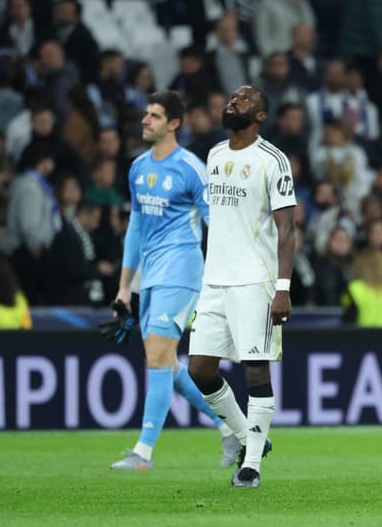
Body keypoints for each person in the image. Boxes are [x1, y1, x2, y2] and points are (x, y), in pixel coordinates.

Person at [109, 91, 238, 471]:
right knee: (168, 364)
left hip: (182, 272)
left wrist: (225, 275)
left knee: (157, 357)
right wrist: (124, 286)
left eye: (154, 115)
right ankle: (231, 427)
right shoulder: (138, 168)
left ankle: (143, 452)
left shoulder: (191, 168)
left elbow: (217, 224)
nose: (145, 120)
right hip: (150, 275)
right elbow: (135, 228)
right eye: (146, 114)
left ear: (174, 124)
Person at [188, 85, 296, 488]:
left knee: (255, 368)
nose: (233, 102)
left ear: (261, 116)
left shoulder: (273, 160)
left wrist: (282, 287)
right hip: (214, 279)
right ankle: (249, 436)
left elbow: (287, 229)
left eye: (244, 100)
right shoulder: (215, 155)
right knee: (199, 369)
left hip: (255, 279)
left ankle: (250, 466)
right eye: (232, 98)